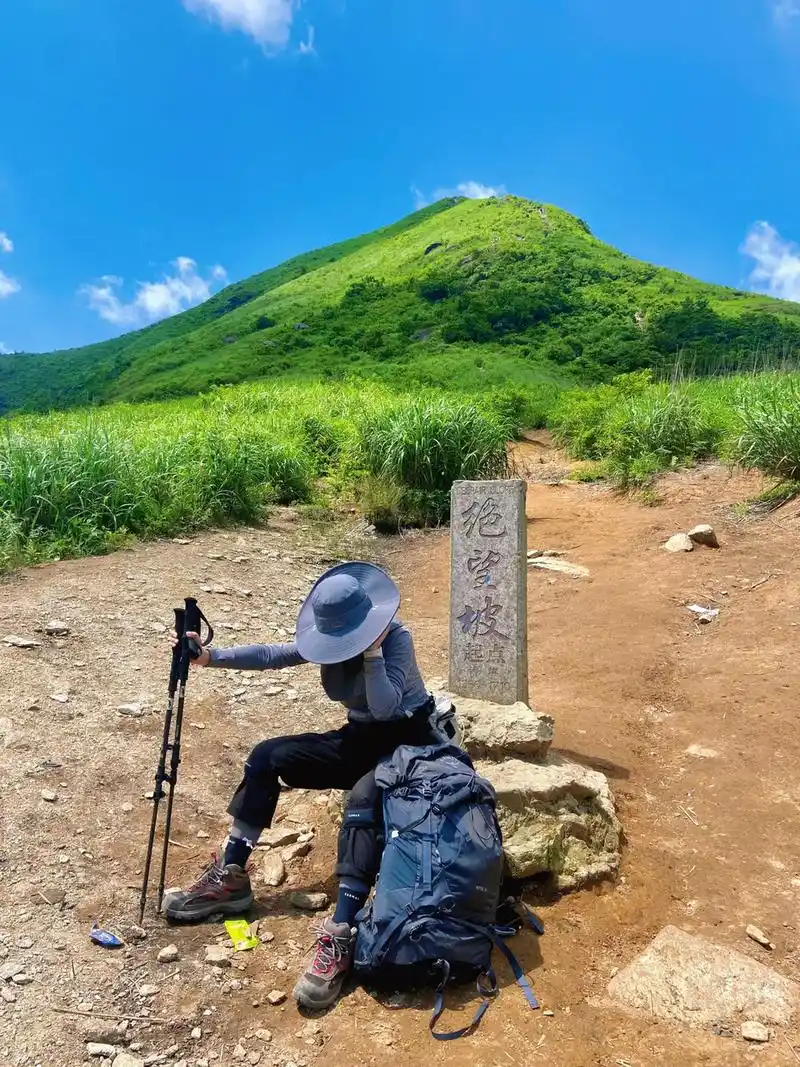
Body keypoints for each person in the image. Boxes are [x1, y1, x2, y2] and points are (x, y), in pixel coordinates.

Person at [165, 561, 436, 1009]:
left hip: (408, 741)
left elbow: (387, 708)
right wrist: (212, 657)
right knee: (267, 756)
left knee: (364, 799)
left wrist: (371, 652)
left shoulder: (397, 639)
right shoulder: (330, 641)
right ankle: (232, 878)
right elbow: (276, 654)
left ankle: (342, 930)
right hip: (361, 739)